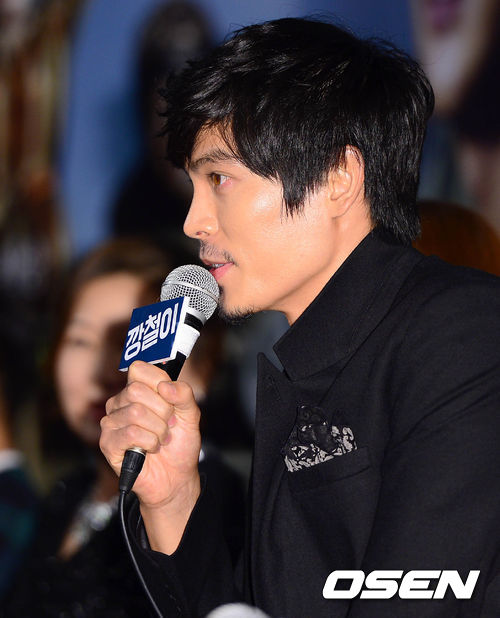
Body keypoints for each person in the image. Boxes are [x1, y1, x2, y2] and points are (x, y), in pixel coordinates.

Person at [99, 17, 500, 618]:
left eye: (219, 178)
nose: (193, 222)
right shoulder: (298, 367)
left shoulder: (463, 331)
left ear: (338, 178)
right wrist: (172, 498)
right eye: (193, 185)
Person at [4, 237, 244, 616]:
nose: (103, 371)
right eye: (80, 341)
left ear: (203, 368)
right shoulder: (65, 495)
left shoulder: (224, 507)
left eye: (128, 340)